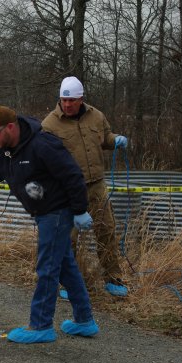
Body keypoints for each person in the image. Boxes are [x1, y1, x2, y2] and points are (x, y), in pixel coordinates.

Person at [0, 105, 99, 344]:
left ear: (11, 127)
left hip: (57, 212)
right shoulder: (0, 153)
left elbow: (73, 175)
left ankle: (40, 325)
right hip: (42, 213)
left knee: (47, 268)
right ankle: (84, 320)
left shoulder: (43, 144)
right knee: (65, 266)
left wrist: (79, 210)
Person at [41, 76, 129, 297]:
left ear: (81, 99)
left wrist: (116, 139)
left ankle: (113, 279)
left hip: (97, 184)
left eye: (73, 101)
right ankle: (68, 283)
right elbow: (44, 159)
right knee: (67, 238)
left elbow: (105, 137)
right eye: (64, 100)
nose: (68, 105)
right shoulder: (49, 125)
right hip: (67, 189)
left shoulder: (96, 116)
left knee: (106, 231)